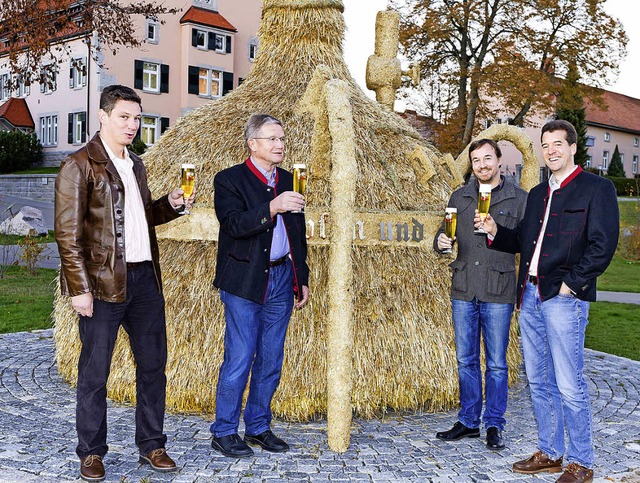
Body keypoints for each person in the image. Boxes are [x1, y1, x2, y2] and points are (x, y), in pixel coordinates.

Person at [55, 85, 192, 482]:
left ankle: (152, 444)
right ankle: (91, 452)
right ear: (103, 116)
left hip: (145, 280)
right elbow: (67, 235)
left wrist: (169, 205)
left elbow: (137, 218)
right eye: (124, 117)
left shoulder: (136, 164)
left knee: (153, 367)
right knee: (95, 373)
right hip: (101, 284)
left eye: (137, 118)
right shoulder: (78, 165)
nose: (132, 125)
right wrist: (79, 288)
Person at [476, 120, 619, 483]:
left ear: (573, 148)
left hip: (564, 299)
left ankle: (582, 462)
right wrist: (495, 231)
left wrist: (572, 285)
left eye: (558, 143)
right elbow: (524, 242)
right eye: (546, 144)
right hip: (531, 296)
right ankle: (551, 453)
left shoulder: (596, 189)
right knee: (538, 382)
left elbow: (603, 245)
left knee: (569, 383)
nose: (551, 150)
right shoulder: (538, 193)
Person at [210, 114, 310, 458]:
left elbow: (297, 233)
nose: (280, 144)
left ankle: (258, 427)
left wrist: (302, 277)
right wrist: (273, 206)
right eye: (272, 139)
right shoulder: (229, 180)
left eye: (282, 138)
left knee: (270, 358)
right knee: (239, 358)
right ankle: (224, 431)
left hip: (282, 279)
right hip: (244, 280)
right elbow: (233, 224)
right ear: (253, 143)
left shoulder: (289, 178)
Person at [434, 139, 527, 450]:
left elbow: (524, 245)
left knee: (498, 364)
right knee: (466, 360)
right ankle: (469, 421)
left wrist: (495, 230)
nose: (482, 165)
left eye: (488, 158)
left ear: (499, 160)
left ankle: (494, 425)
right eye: (476, 160)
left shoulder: (519, 199)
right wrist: (440, 243)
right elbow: (442, 232)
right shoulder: (459, 197)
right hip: (463, 288)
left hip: (498, 290)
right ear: (471, 165)